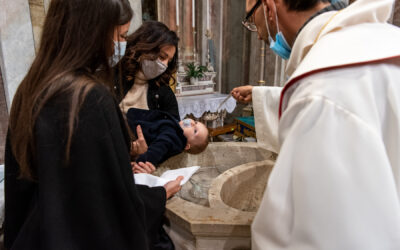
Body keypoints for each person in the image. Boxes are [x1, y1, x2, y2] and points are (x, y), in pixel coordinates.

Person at [4, 0, 183, 249]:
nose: (120, 46)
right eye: (120, 36)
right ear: (93, 32)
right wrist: (158, 195)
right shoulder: (89, 98)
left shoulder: (31, 86)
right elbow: (108, 208)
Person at [232, 0, 400, 249]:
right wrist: (260, 94)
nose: (258, 36)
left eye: (251, 20)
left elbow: (327, 238)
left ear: (269, 7)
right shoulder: (381, 40)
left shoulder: (322, 89)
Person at [116, 21, 180, 120]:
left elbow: (174, 131)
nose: (165, 65)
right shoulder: (114, 76)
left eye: (169, 61)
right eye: (162, 57)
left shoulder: (164, 93)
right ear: (145, 47)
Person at [126, 108, 209, 172]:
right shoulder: (177, 129)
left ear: (186, 146)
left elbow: (155, 153)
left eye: (195, 131)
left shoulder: (171, 138)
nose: (192, 123)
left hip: (130, 129)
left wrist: (139, 165)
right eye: (195, 122)